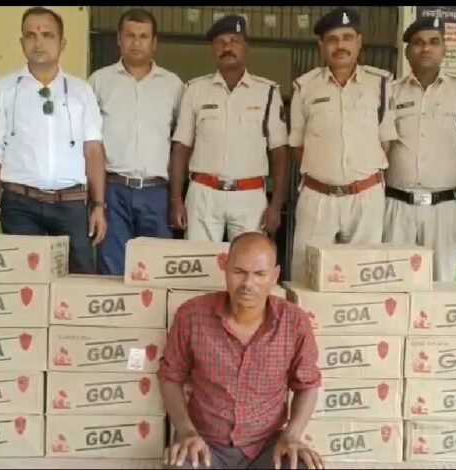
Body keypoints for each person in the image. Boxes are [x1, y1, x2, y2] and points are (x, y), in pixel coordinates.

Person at [158, 232, 324, 470]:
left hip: (268, 446)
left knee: (304, 465)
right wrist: (186, 432)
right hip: (205, 443)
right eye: (239, 271)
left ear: (275, 275)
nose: (248, 283)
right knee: (180, 465)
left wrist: (292, 435)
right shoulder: (192, 315)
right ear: (225, 267)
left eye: (259, 274)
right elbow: (170, 377)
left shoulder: (294, 322)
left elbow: (307, 385)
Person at [0, 7, 106, 274]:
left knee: (78, 280)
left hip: (71, 203)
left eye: (47, 35)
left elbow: (93, 150)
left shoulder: (81, 91)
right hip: (20, 204)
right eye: (31, 35)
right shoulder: (4, 89)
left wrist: (98, 205)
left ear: (62, 43)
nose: (38, 42)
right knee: (25, 281)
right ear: (21, 42)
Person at [288, 7, 398, 283]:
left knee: (361, 276)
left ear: (359, 42)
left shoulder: (381, 84)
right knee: (307, 274)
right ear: (321, 46)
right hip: (317, 197)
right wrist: (326, 175)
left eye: (347, 38)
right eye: (332, 39)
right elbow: (297, 146)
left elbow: (386, 143)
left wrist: (356, 177)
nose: (340, 45)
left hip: (365, 197)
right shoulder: (305, 87)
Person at [169, 14, 289, 242]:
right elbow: (181, 147)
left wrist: (276, 204)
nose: (227, 48)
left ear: (246, 47)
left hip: (250, 195)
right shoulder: (194, 90)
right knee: (200, 259)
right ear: (212, 50)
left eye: (234, 41)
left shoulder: (267, 92)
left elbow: (279, 152)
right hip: (203, 193)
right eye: (220, 42)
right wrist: (176, 200)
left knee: (248, 259)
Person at [384, 17, 456, 281]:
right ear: (407, 52)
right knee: (395, 281)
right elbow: (381, 147)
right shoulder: (391, 92)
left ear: (444, 49)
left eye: (433, 42)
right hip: (396, 206)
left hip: (444, 207)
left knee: (441, 283)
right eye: (418, 43)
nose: (426, 48)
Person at [88, 8, 183, 275]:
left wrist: (176, 197)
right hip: (112, 189)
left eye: (143, 36)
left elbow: (182, 141)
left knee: (157, 269)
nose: (136, 42)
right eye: (130, 35)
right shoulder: (99, 82)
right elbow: (89, 142)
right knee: (112, 268)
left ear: (154, 42)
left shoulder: (173, 85)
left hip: (157, 192)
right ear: (119, 39)